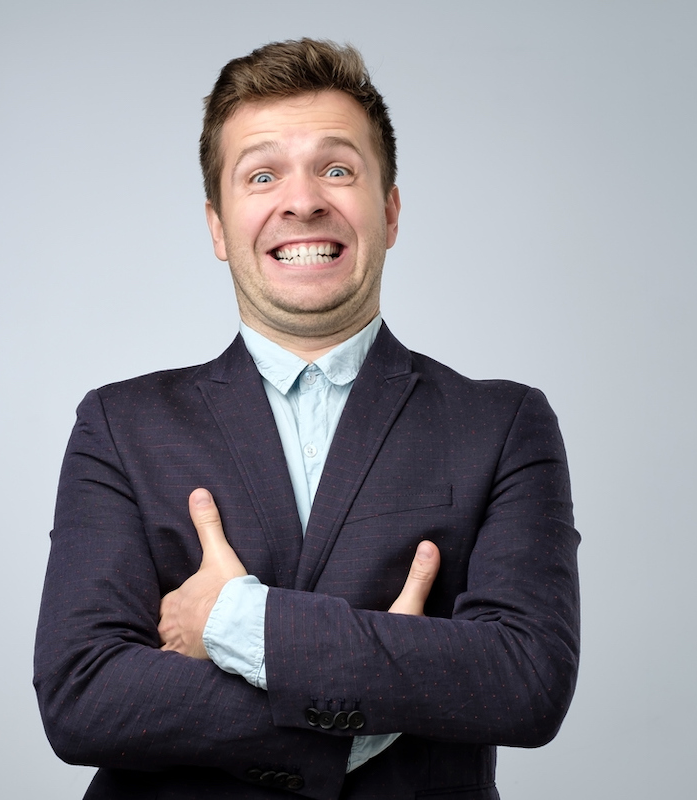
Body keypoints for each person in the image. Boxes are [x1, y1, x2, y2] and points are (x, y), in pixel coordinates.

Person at [34, 38, 580, 800]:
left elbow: (525, 677)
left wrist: (237, 621)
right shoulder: (119, 428)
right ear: (218, 226)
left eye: (337, 170)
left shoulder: (504, 425)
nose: (302, 202)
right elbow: (82, 694)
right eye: (262, 175)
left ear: (390, 211)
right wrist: (362, 713)